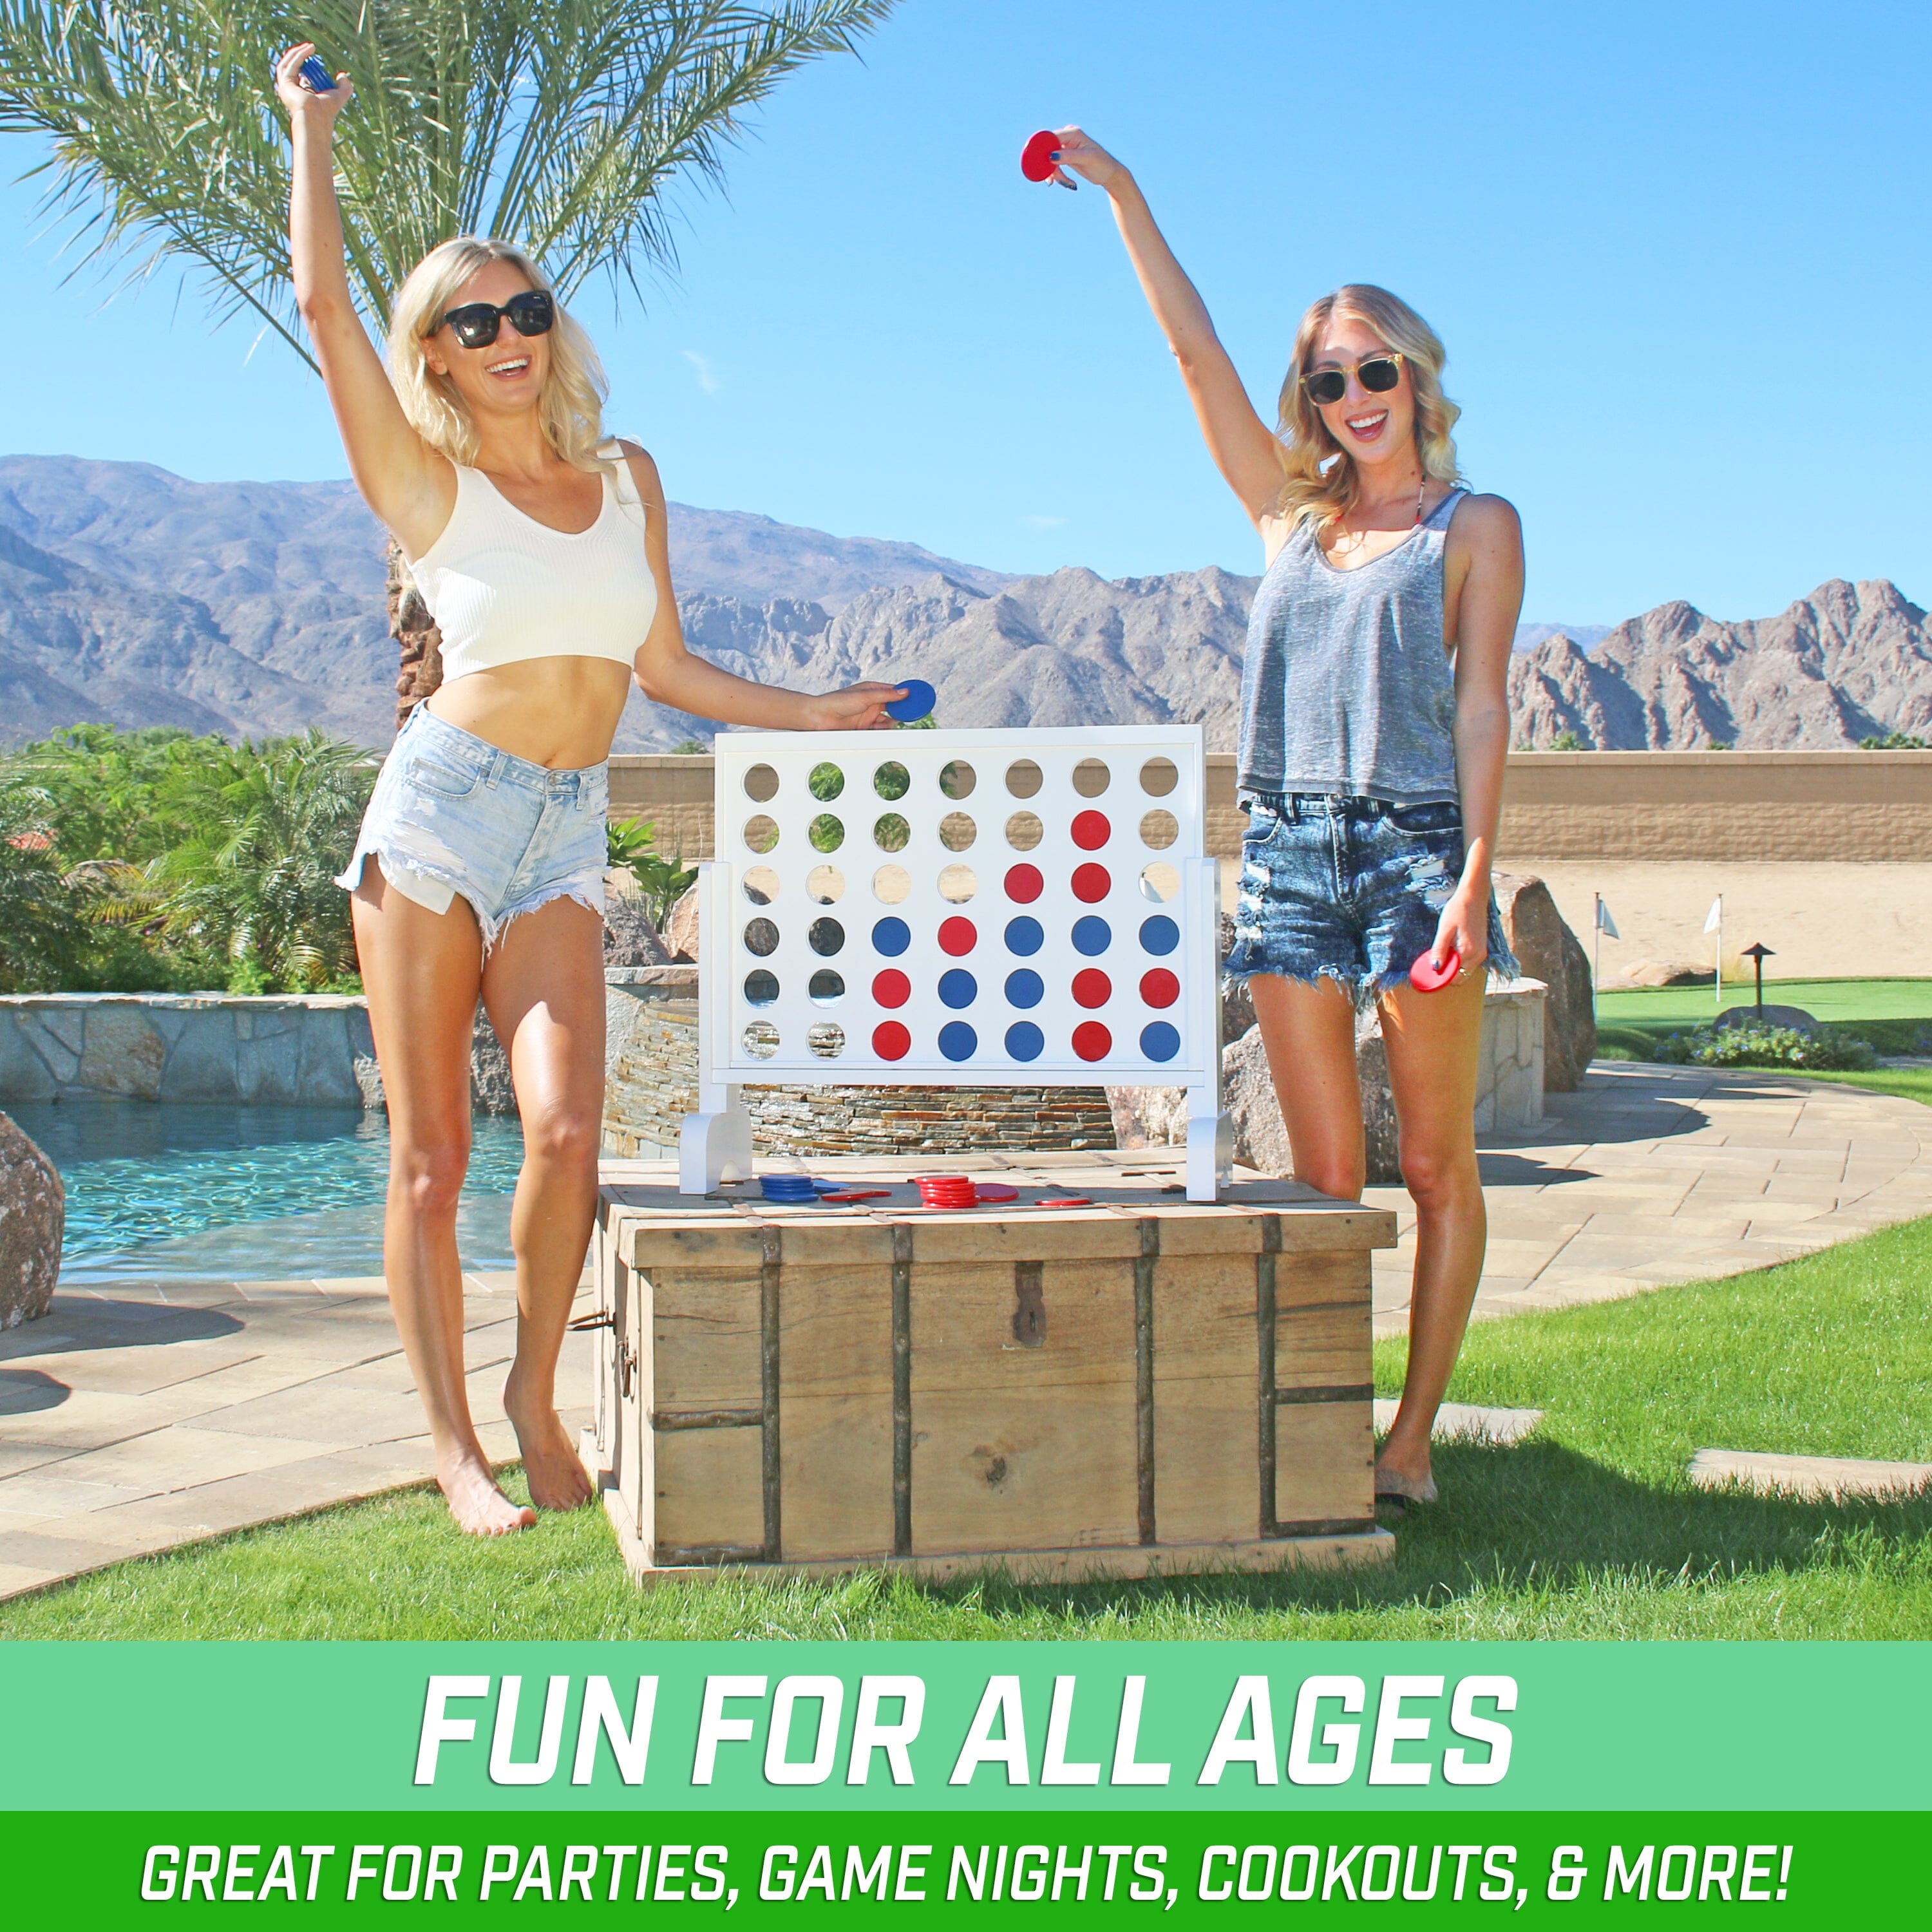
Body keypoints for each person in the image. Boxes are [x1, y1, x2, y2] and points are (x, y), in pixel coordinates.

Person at [278, 48, 904, 1535]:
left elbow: (666, 666)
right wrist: (312, 130)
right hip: (441, 818)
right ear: (436, 355)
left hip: (565, 825)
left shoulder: (626, 476)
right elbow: (321, 305)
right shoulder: (427, 487)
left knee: (566, 1134)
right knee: (432, 1157)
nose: (508, 336)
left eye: (527, 311)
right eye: (473, 322)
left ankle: (531, 1394)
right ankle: (452, 1449)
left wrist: (812, 711)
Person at [1045, 130, 1524, 1508]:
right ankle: (1324, 1431)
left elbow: (1482, 706)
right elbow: (1192, 353)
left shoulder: (1475, 526)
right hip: (1289, 854)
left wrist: (1472, 874)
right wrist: (1126, 194)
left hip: (1417, 853)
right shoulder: (1287, 517)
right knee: (1323, 1177)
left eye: (1375, 371)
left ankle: (1409, 1443)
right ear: (1308, 401)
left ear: (1417, 378)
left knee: (1432, 1161)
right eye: (1329, 379)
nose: (1355, 396)